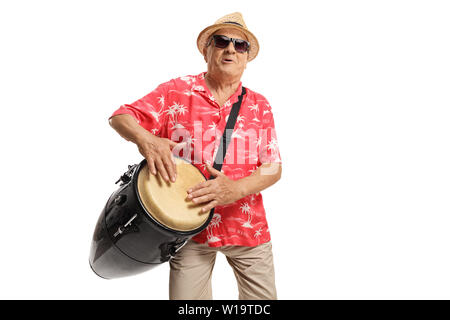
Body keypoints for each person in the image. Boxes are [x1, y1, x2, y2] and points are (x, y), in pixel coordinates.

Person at [109, 12, 282, 300]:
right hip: (187, 231)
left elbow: (272, 167)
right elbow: (120, 117)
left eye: (240, 45)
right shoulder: (176, 91)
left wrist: (235, 189)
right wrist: (146, 139)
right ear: (206, 50)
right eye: (221, 41)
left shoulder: (259, 104)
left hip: (247, 228)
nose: (230, 49)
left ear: (247, 57)